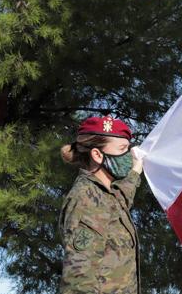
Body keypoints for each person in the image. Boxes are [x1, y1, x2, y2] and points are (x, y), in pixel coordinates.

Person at [59, 115, 143, 294]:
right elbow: (78, 280)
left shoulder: (106, 194)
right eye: (123, 149)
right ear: (97, 154)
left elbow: (120, 198)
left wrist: (135, 171)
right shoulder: (85, 199)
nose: (129, 155)